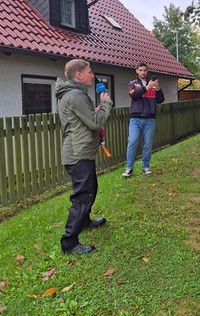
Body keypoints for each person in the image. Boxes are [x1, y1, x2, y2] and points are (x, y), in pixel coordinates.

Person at [55, 59, 113, 254]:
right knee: (82, 197)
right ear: (79, 75)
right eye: (89, 71)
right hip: (77, 154)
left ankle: (85, 220)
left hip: (80, 152)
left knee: (91, 188)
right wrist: (105, 104)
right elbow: (95, 123)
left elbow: (84, 118)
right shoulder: (76, 95)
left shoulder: (72, 94)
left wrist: (93, 112)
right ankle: (69, 242)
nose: (92, 75)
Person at [122, 62, 165, 177]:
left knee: (148, 144)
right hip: (135, 118)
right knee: (132, 141)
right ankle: (129, 168)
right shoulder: (132, 84)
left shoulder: (153, 84)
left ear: (147, 71)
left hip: (150, 119)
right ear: (136, 71)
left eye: (145, 70)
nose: (143, 72)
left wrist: (159, 89)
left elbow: (160, 100)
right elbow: (134, 95)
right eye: (140, 70)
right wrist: (147, 87)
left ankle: (145, 166)